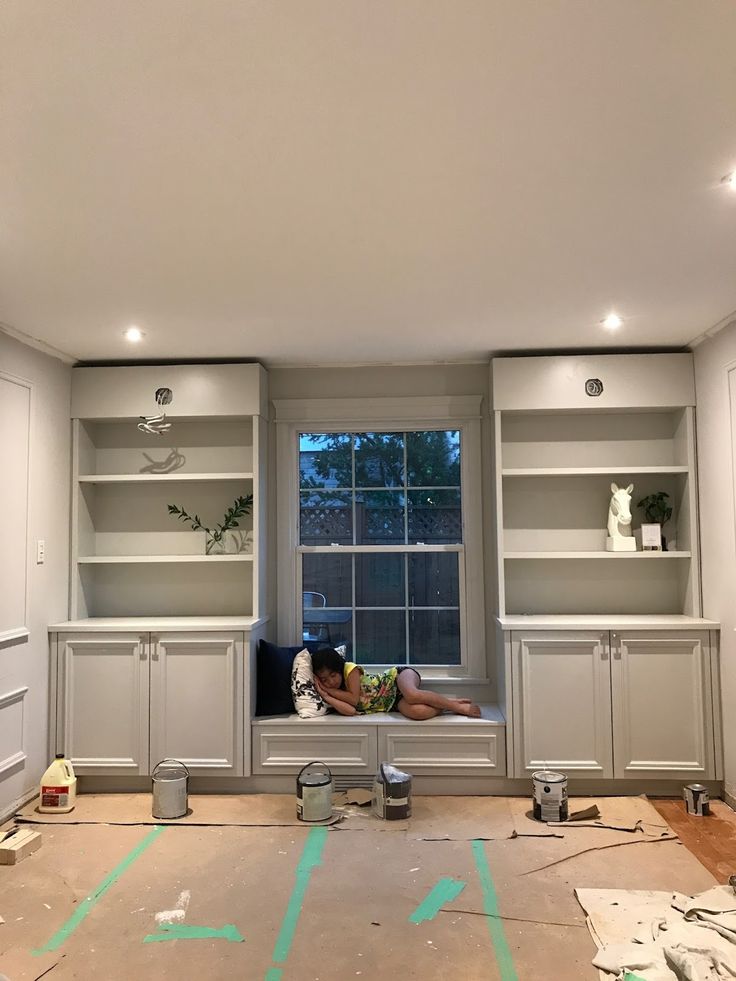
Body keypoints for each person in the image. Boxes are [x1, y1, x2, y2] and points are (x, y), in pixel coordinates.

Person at [311, 648, 481, 720]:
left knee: (413, 695)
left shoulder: (350, 670)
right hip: (392, 703)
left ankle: (459, 708)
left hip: (396, 678)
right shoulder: (334, 693)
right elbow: (350, 710)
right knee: (418, 712)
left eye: (333, 675)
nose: (330, 682)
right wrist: (326, 695)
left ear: (339, 669)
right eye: (324, 680)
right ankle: (449, 705)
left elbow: (354, 700)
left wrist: (328, 690)